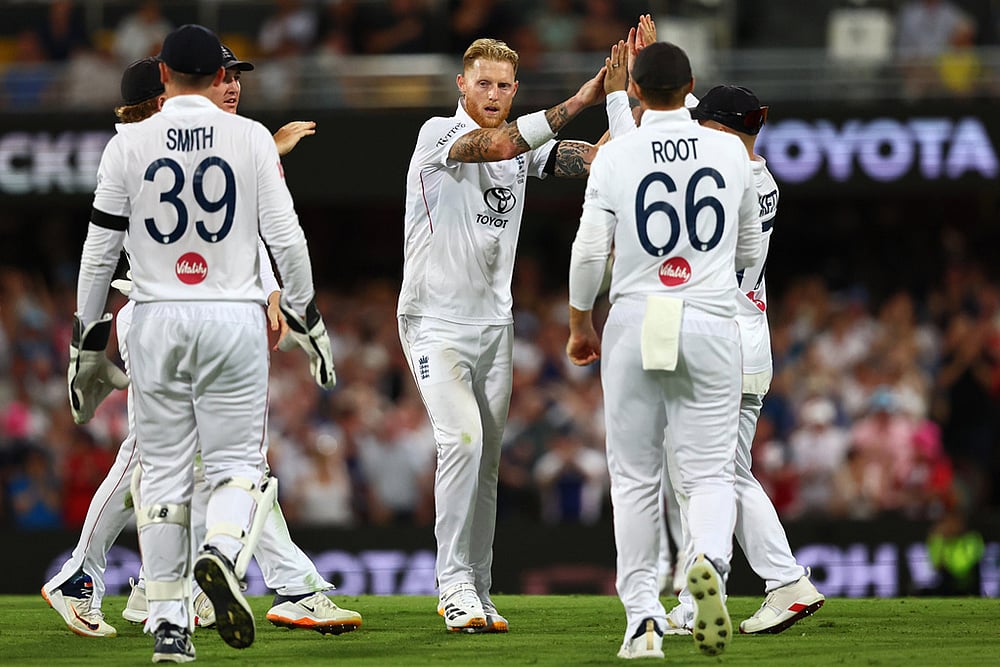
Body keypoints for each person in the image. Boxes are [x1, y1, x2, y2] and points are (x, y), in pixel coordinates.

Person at [43, 50, 359, 643]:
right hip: (176, 315)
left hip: (164, 319)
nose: (230, 86)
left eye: (235, 77)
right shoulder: (153, 144)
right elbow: (251, 225)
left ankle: (146, 588)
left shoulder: (146, 145)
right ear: (160, 96)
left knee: (182, 465)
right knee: (220, 465)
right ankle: (289, 587)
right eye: (222, 76)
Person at [397, 36, 606, 633]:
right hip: (434, 323)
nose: (492, 94)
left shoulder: (520, 147)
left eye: (503, 86)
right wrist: (584, 96)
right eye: (482, 83)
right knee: (460, 442)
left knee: (486, 459)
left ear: (515, 90)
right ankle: (452, 583)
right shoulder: (438, 136)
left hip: (495, 326)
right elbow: (501, 143)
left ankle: (480, 587)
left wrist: (627, 115)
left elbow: (576, 157)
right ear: (461, 86)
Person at [566, 41, 761, 659]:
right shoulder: (730, 151)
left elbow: (590, 253)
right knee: (707, 472)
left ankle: (643, 621)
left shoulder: (618, 153)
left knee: (635, 478)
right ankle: (707, 569)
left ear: (637, 93)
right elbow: (751, 247)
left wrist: (579, 324)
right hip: (708, 317)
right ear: (692, 86)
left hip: (636, 317)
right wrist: (721, 289)